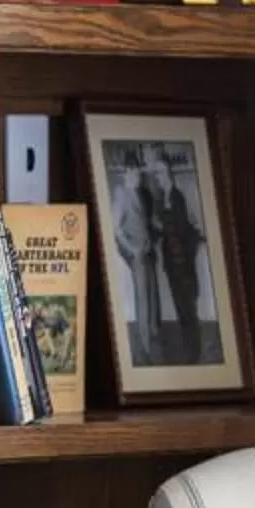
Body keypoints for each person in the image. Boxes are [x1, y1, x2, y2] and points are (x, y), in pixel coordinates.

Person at [150, 149, 208, 363]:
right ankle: (189, 351)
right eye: (156, 173)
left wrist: (162, 225)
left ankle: (195, 353)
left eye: (161, 172)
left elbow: (183, 229)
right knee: (180, 308)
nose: (158, 176)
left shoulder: (177, 196)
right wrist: (155, 227)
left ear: (169, 173)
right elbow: (161, 231)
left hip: (183, 263)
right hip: (171, 263)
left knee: (188, 309)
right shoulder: (160, 199)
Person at [112, 154, 162, 364]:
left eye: (139, 172)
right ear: (126, 172)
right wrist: (131, 249)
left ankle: (153, 336)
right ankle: (145, 347)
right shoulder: (121, 194)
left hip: (148, 251)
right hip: (136, 254)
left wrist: (159, 228)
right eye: (134, 172)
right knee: (142, 298)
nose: (138, 176)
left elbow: (145, 222)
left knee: (151, 295)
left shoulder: (139, 192)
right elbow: (117, 229)